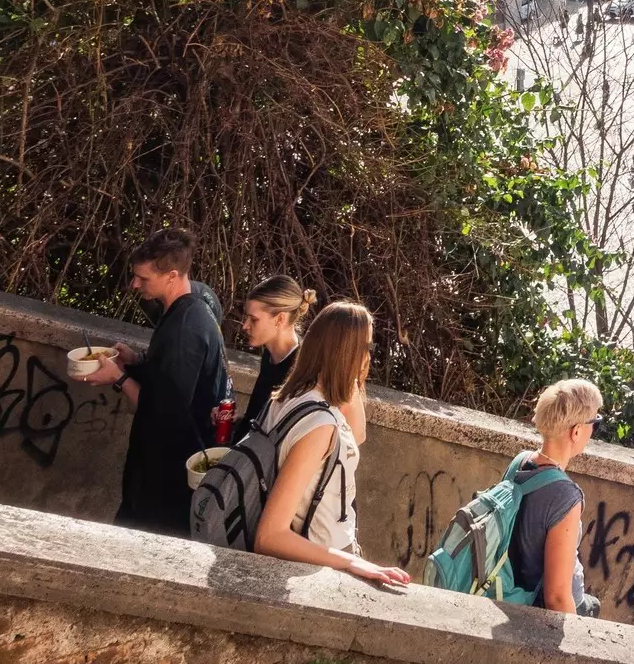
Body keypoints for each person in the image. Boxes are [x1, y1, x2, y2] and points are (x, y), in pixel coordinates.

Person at [250, 301, 409, 588]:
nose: (369, 357)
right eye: (367, 349)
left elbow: (357, 435)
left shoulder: (288, 399)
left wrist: (351, 377)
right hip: (317, 565)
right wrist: (353, 562)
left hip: (321, 555)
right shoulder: (320, 425)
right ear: (349, 353)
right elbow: (270, 535)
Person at [85, 229, 231, 535]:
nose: (134, 284)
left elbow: (163, 415)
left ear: (172, 275)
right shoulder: (202, 298)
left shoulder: (184, 331)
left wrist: (119, 377)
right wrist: (137, 362)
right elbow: (175, 376)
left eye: (144, 278)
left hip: (166, 474)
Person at [499, 377, 604, 615]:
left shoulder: (521, 462)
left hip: (512, 589)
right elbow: (556, 597)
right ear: (576, 431)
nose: (592, 432)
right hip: (536, 606)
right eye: (594, 424)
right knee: (592, 607)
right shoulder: (566, 496)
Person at [235, 275, 315, 439]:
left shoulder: (302, 368)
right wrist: (238, 421)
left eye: (254, 319)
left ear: (280, 319)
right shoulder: (269, 354)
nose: (245, 326)